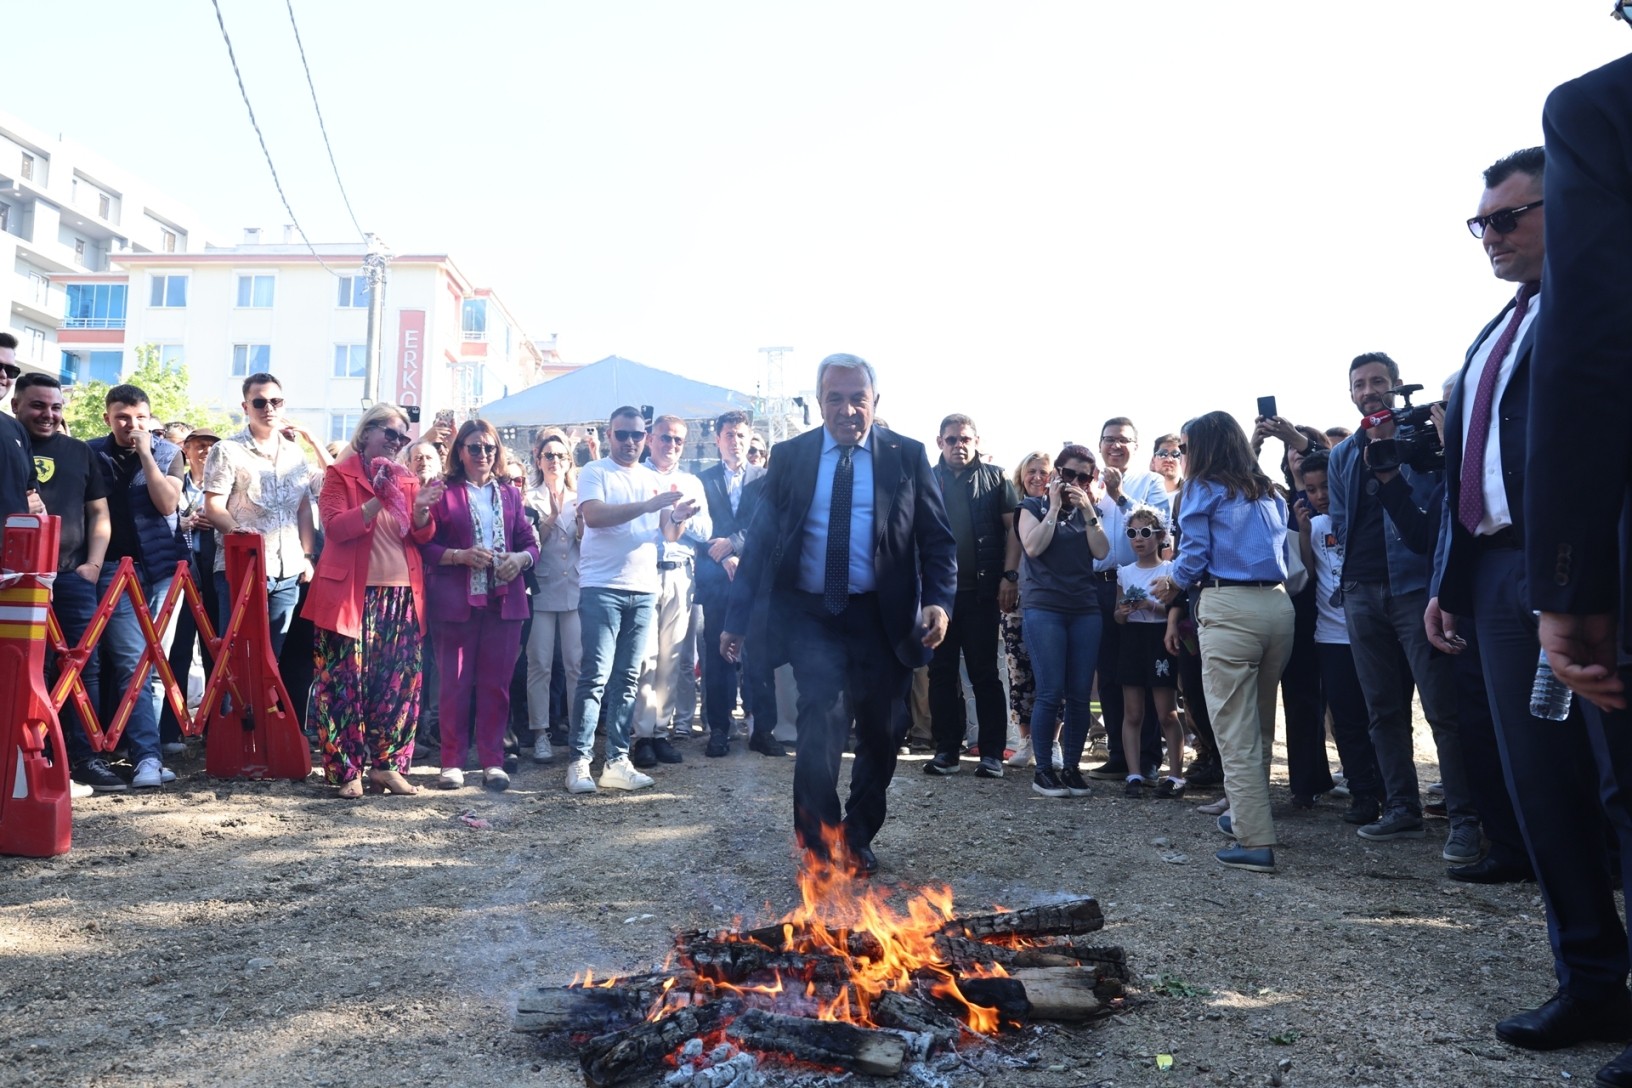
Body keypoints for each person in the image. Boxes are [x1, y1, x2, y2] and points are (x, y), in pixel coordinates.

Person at [723, 354, 955, 875]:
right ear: (819, 400)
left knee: (883, 728)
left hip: (883, 616)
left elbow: (937, 541)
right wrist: (736, 620)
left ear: (875, 403)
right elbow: (760, 545)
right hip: (813, 616)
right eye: (835, 398)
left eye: (858, 399)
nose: (847, 410)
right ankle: (820, 839)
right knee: (818, 722)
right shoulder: (791, 456)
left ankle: (858, 834)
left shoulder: (907, 456)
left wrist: (939, 600)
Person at [1520, 31, 1632, 1082]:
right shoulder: (1494, 331)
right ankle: (1593, 974)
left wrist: (1570, 580)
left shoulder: (1602, 112)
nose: (1492, 234)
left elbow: (1596, 358)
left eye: (1512, 213)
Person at [1327, 352, 1480, 865]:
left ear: (1394, 386)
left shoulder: (1421, 442)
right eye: (1360, 383)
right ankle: (1401, 807)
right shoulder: (1344, 453)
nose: (1369, 390)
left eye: (1377, 382)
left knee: (1442, 710)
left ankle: (1464, 818)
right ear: (1350, 393)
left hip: (1415, 590)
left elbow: (1432, 527)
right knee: (1382, 709)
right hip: (1361, 591)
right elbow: (1343, 524)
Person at [1152, 412, 1293, 874]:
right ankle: (1242, 815)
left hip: (1229, 608)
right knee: (1260, 722)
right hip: (1277, 607)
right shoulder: (1270, 490)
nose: (1181, 457)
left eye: (1185, 448)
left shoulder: (1202, 488)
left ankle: (1254, 840)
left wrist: (1170, 581)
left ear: (1205, 449)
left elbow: (1192, 558)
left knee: (1234, 730)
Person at [304, 405, 436, 798]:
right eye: (390, 434)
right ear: (365, 434)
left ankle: (387, 767)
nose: (397, 443)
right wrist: (379, 497)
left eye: (402, 437)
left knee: (397, 687)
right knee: (344, 687)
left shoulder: (407, 478)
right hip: (350, 597)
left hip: (402, 598)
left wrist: (424, 513)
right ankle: (348, 772)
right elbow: (336, 529)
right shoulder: (339, 475)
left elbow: (421, 537)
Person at [566, 406, 697, 794]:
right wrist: (648, 507)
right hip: (602, 586)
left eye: (637, 436)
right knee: (595, 677)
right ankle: (579, 761)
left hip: (643, 588)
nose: (630, 442)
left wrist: (680, 516)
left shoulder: (651, 479)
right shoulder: (595, 471)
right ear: (609, 435)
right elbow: (593, 516)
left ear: (645, 438)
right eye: (622, 434)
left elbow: (668, 536)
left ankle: (617, 760)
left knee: (627, 680)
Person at [421, 419, 538, 791]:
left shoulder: (509, 494)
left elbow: (530, 543)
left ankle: (492, 760)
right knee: (454, 683)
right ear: (460, 452)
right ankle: (452, 761)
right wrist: (459, 556)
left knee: (496, 684)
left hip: (503, 600)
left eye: (489, 448)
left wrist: (520, 560)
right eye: (474, 447)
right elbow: (425, 545)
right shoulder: (443, 492)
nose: (483, 454)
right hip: (456, 599)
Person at [12, 374, 115, 787]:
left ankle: (83, 756)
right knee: (23, 667)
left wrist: (92, 565)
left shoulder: (79, 451)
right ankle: (25, 756)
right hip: (17, 578)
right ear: (16, 404)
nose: (48, 415)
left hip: (72, 577)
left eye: (55, 407)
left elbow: (99, 514)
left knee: (80, 666)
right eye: (38, 406)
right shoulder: (6, 445)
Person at [86, 384, 189, 789]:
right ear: (108, 418)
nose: (132, 425)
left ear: (149, 417)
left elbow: (167, 504)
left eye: (140, 417)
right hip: (112, 568)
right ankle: (147, 756)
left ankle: (145, 750)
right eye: (123, 417)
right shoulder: (91, 452)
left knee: (157, 665)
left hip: (163, 568)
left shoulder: (169, 453)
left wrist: (147, 453)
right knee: (134, 662)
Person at [925, 413, 1019, 778]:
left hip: (982, 593)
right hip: (938, 597)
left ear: (976, 441)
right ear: (940, 443)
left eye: (964, 439)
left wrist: (1009, 577)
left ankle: (992, 752)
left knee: (985, 674)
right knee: (941, 674)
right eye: (951, 439)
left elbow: (1013, 530)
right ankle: (947, 749)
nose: (958, 445)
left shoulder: (996, 479)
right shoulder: (927, 479)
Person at [201, 373, 322, 657]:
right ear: (246, 407)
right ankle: (237, 705)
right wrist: (234, 531)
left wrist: (307, 557)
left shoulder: (295, 453)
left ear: (283, 405)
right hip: (243, 566)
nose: (269, 408)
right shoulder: (227, 449)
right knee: (238, 655)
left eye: (275, 401)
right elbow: (213, 506)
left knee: (271, 656)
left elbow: (303, 508)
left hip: (289, 569)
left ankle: (262, 705)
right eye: (259, 402)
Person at [1294, 449, 1384, 827]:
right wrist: (1302, 533)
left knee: (1382, 716)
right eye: (1311, 490)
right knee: (1346, 720)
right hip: (1331, 637)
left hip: (1376, 634)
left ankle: (1392, 791)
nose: (1320, 496)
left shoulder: (1367, 516)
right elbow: (1306, 576)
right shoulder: (1313, 528)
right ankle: (1363, 793)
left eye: (1325, 486)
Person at [1017, 444, 1113, 799]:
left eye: (1082, 477)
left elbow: (1102, 551)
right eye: (1068, 473)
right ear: (1057, 471)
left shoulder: (1091, 510)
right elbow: (1033, 547)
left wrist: (1088, 509)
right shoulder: (1031, 507)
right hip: (1045, 608)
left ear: (1091, 480)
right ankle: (1044, 770)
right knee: (1050, 691)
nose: (1074, 481)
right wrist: (1054, 506)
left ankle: (1072, 768)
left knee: (1078, 694)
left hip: (1084, 609)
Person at [1088, 417, 1172, 783]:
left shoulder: (1149, 482)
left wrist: (1119, 494)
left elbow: (1160, 524)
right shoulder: (1089, 485)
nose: (1115, 446)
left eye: (1123, 440)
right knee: (1111, 671)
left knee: (1147, 673)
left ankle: (1150, 757)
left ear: (1136, 447)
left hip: (1144, 585)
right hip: (1103, 584)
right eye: (1109, 439)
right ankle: (1121, 755)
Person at [696, 410, 779, 756]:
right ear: (718, 439)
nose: (736, 441)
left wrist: (736, 543)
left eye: (742, 435)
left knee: (759, 654)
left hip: (756, 579)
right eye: (729, 435)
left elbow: (770, 523)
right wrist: (722, 553)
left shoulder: (765, 478)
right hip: (717, 579)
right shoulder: (702, 480)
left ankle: (763, 729)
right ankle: (719, 728)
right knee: (718, 656)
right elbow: (695, 527)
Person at [631, 415, 712, 765]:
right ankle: (641, 735)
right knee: (645, 657)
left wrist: (682, 516)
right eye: (665, 438)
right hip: (644, 570)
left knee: (672, 657)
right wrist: (662, 514)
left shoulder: (691, 481)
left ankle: (661, 732)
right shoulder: (637, 475)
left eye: (678, 440)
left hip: (680, 573)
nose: (671, 446)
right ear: (651, 439)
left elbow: (707, 530)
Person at [1114, 505, 1185, 798]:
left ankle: (1176, 776)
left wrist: (1151, 606)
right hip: (1132, 639)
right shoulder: (1124, 572)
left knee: (1166, 712)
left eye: (1145, 532)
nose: (1138, 539)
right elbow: (1117, 615)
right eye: (1132, 533)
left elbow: (1175, 610)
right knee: (1132, 712)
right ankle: (1134, 774)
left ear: (1160, 536)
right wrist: (1124, 610)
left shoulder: (1169, 571)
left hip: (1159, 638)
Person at [158, 427, 220, 755]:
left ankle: (214, 728)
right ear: (186, 449)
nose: (205, 451)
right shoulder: (173, 480)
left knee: (215, 652)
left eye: (212, 446)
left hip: (213, 577)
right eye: (199, 446)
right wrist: (184, 521)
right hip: (177, 579)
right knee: (177, 653)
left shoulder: (225, 485)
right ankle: (171, 729)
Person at [1002, 451, 1064, 771]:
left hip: (1053, 602)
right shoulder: (1017, 510)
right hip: (1019, 601)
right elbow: (1012, 553)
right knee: (1020, 673)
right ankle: (1025, 741)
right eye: (1031, 471)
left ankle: (1052, 743)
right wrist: (1008, 581)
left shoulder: (1063, 510)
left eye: (1044, 471)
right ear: (1021, 475)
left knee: (1052, 676)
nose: (1037, 477)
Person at [523, 428, 582, 765]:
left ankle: (577, 731)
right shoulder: (530, 497)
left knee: (576, 663)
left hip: (574, 586)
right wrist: (552, 519)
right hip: (542, 588)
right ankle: (540, 732)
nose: (555, 461)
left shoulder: (580, 496)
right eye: (549, 456)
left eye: (561, 456)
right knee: (540, 663)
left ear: (569, 460)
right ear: (539, 460)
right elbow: (531, 543)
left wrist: (581, 524)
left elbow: (585, 543)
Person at [0, 333, 42, 518]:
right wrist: (17, 506)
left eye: (11, 371)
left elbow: (32, 494)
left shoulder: (15, 429)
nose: (3, 375)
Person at [1149, 434, 1183, 501]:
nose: (1169, 459)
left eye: (1176, 455)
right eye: (1162, 454)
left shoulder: (1192, 496)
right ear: (1153, 461)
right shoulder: (1142, 495)